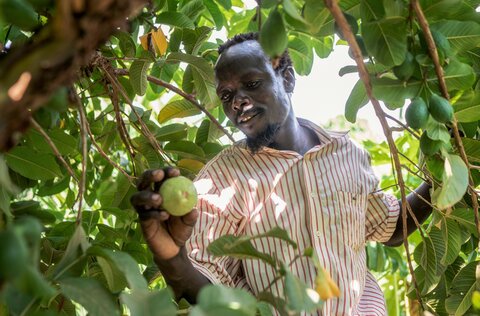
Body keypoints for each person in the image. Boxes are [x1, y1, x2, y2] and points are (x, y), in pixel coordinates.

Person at [130, 32, 432, 315]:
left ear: (286, 78)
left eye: (251, 84)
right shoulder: (223, 177)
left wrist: (440, 184)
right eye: (226, 95)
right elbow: (203, 290)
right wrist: (171, 257)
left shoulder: (347, 154)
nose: (237, 102)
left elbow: (389, 227)